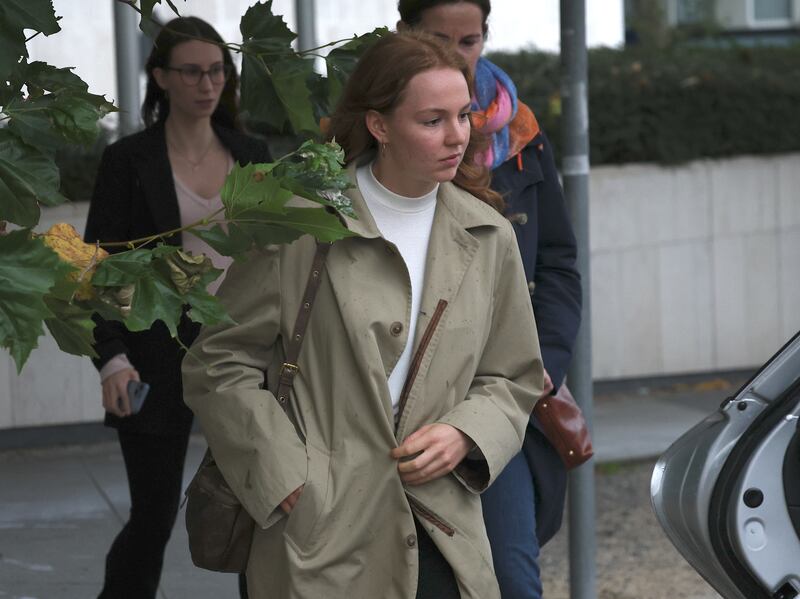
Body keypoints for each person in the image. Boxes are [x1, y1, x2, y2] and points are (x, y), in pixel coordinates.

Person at [182, 31, 543, 599]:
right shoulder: (300, 223)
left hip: (438, 530)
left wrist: (464, 432)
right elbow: (218, 362)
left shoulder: (488, 235)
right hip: (316, 536)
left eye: (464, 115)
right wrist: (284, 477)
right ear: (379, 125)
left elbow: (513, 376)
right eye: (432, 121)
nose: (456, 136)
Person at [398, 2, 583, 598]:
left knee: (510, 578)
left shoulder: (521, 134)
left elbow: (557, 263)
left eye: (470, 39)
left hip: (499, 395)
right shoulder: (348, 141)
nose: (457, 54)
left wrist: (542, 368)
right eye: (438, 38)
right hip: (393, 405)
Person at [83, 16, 271, 599]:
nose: (206, 83)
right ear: (161, 76)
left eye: (216, 70)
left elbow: (278, 261)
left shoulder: (252, 153)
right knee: (154, 517)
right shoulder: (128, 160)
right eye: (191, 71)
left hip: (243, 351)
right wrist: (112, 357)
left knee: (260, 512)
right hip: (154, 354)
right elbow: (100, 267)